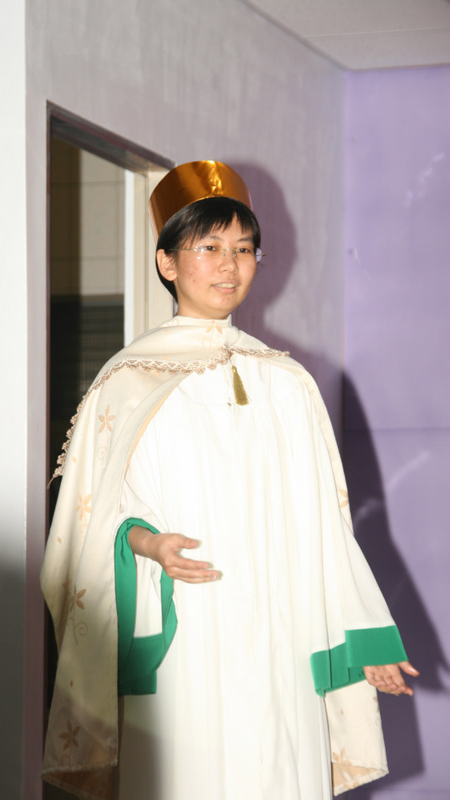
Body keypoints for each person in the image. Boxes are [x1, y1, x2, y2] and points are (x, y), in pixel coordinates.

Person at [41, 161, 418, 800]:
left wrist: (362, 636)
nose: (229, 265)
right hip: (189, 629)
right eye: (209, 247)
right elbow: (89, 524)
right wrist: (148, 544)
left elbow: (326, 527)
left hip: (283, 634)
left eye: (244, 249)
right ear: (167, 262)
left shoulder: (288, 383)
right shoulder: (127, 382)